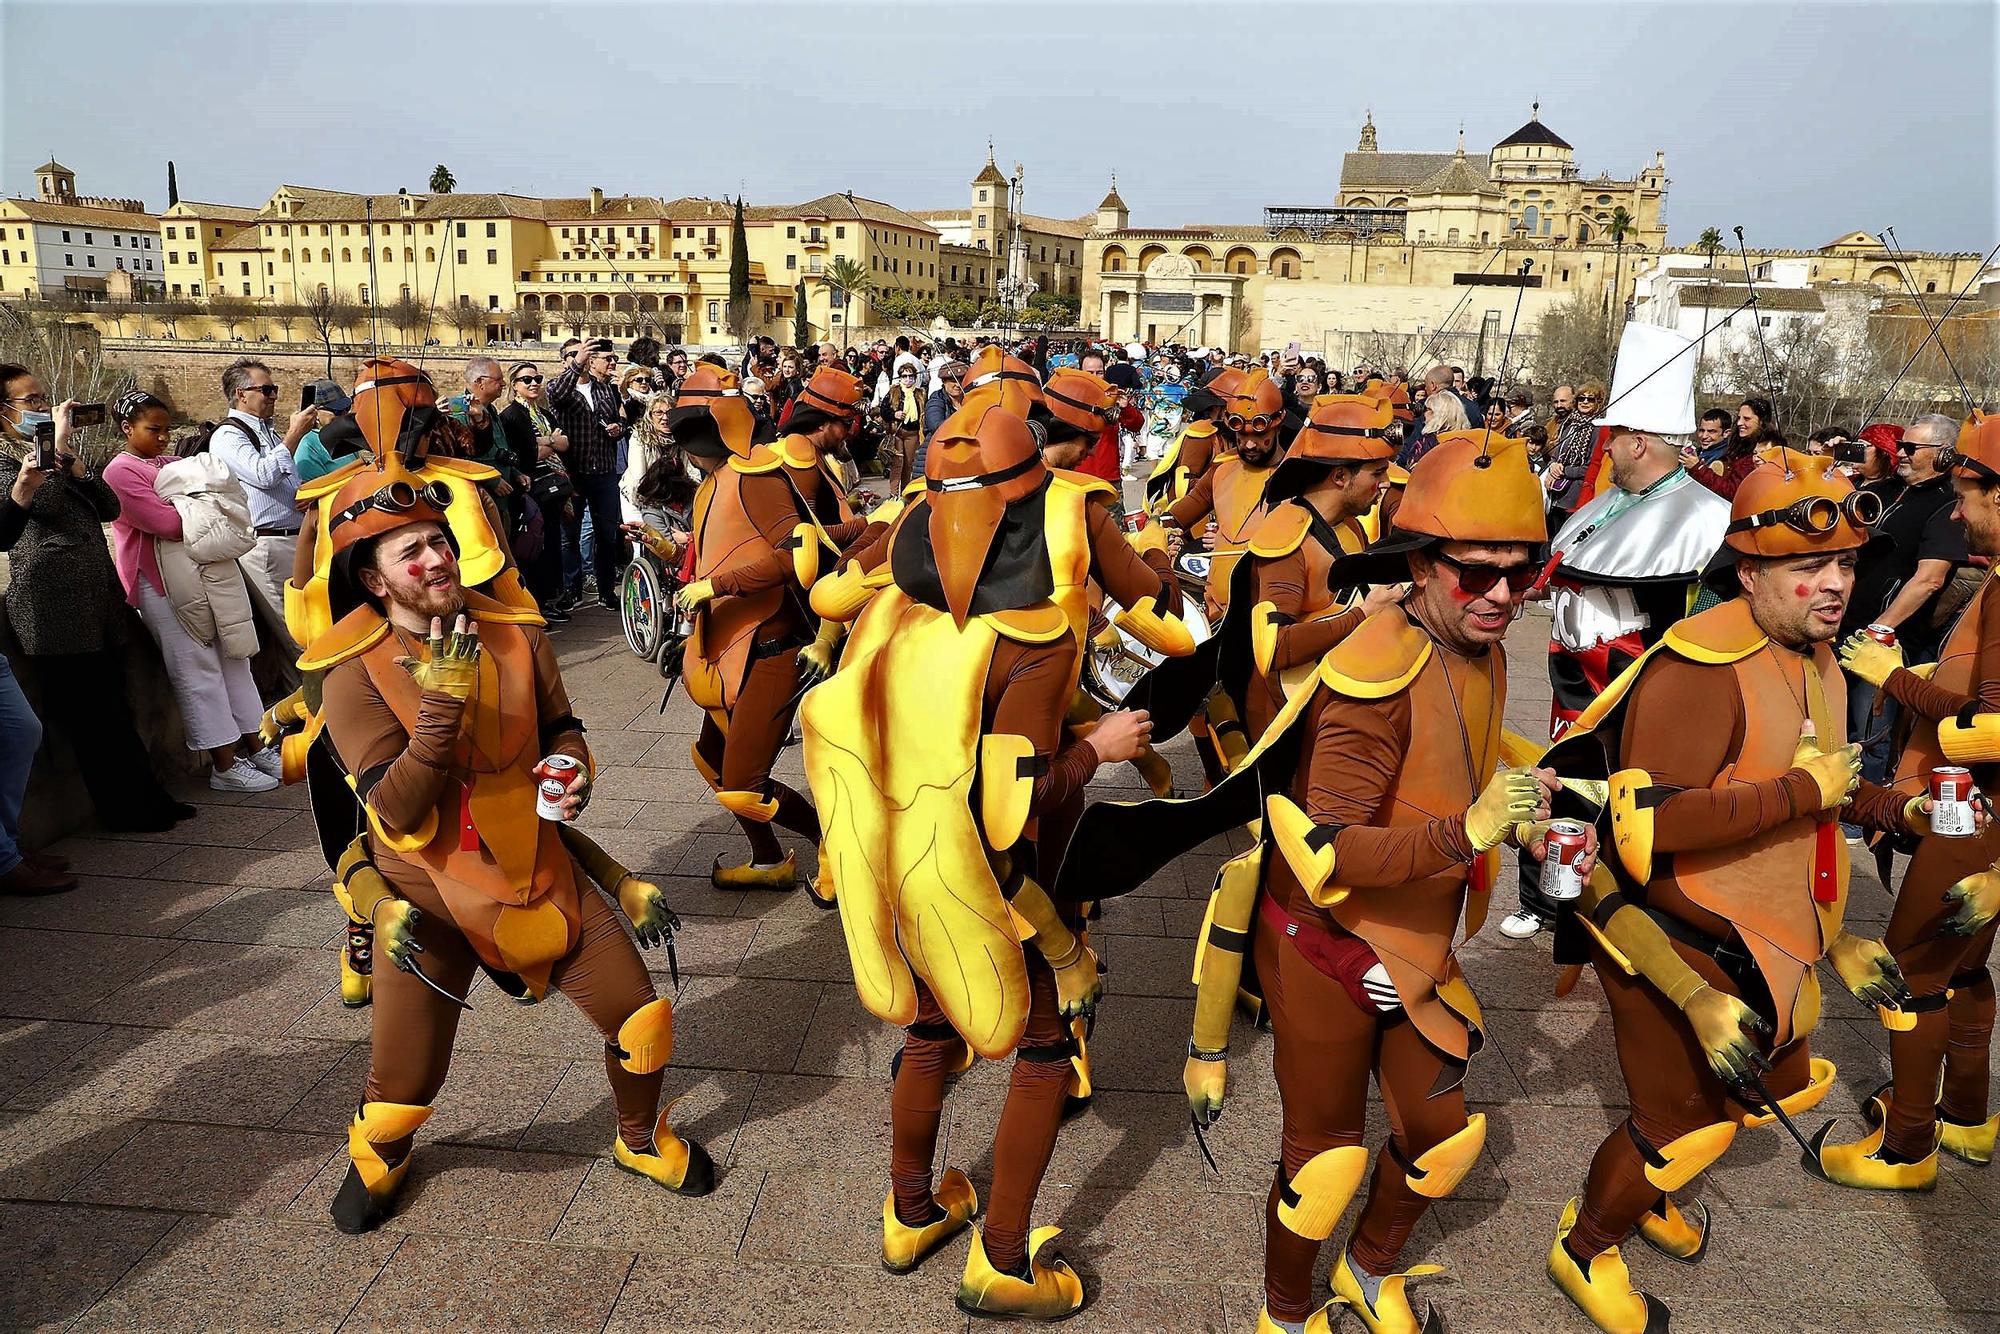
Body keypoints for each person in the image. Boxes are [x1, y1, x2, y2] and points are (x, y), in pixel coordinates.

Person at [1058, 429, 1557, 1334]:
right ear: (1419, 564)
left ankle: (1368, 1273)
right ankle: (1283, 1316)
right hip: (1327, 944)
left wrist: (1535, 795)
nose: (1502, 594)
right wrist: (1472, 829)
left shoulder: (1483, 646)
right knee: (1323, 1164)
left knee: (1444, 1141)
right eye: (1476, 572)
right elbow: (1324, 851)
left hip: (1418, 943)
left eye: (1522, 574)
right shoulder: (1377, 669)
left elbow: (1459, 760)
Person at [1538, 452, 1920, 1334]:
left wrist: (1899, 813)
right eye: (1809, 569)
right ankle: (1587, 1242)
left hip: (1774, 931)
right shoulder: (1701, 666)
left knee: (1770, 1087)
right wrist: (1803, 795)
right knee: (1675, 1125)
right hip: (1672, 936)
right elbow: (1651, 829)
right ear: (1747, 574)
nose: (1834, 585)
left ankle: (1649, 1200)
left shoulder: (1821, 651)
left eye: (1846, 564)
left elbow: (1826, 782)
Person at [800, 404, 1154, 1321]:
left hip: (890, 876)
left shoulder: (886, 615)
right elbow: (1012, 812)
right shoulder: (1031, 640)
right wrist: (1100, 748)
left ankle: (911, 1213)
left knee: (929, 1034)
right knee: (1044, 1045)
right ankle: (1003, 1259)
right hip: (990, 887)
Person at [309, 469, 713, 1233]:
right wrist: (443, 701)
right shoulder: (350, 672)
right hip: (428, 891)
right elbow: (394, 809)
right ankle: (379, 1155)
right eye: (409, 553)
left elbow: (562, 723)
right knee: (402, 1090)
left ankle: (638, 1138)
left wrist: (572, 767)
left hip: (537, 866)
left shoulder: (516, 626)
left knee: (642, 1023)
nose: (433, 560)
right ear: (373, 578)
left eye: (438, 541)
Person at [1504, 325, 1730, 941]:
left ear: (1637, 442)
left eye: (1615, 441)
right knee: (1559, 784)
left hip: (1633, 678)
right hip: (1570, 673)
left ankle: (1621, 902)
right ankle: (1545, 897)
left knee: (1622, 794)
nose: (1605, 452)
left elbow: (1704, 610)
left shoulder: (1704, 517)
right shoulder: (1611, 501)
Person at [1823, 410, 2000, 1187]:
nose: (1956, 512)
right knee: (1963, 969)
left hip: (1973, 816)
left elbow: (1990, 731)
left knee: (1914, 975)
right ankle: (1964, 1116)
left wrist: (1887, 678)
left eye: (1970, 495)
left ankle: (1908, 1145)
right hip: (1978, 813)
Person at [675, 365, 868, 896]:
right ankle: (767, 859)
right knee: (712, 758)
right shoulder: (721, 480)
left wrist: (718, 586)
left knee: (741, 785)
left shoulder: (757, 476)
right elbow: (721, 545)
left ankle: (835, 842)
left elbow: (799, 553)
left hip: (773, 642)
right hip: (726, 644)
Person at [0, 372, 190, 840]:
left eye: (45, 398)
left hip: (94, 601)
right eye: (33, 400)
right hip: (52, 606)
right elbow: (38, 505)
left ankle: (147, 796)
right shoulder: (6, 463)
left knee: (114, 707)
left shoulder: (55, 458)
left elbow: (107, 506)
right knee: (90, 717)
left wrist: (74, 463)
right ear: (3, 410)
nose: (44, 406)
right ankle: (125, 810)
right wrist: (55, 446)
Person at [103, 391, 280, 793]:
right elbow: (166, 523)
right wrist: (197, 504)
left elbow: (218, 500)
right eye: (154, 429)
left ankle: (256, 745)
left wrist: (195, 505)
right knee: (196, 668)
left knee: (234, 659)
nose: (164, 438)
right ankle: (223, 762)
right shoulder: (120, 472)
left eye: (167, 429)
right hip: (159, 582)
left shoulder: (166, 463)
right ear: (127, 429)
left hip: (203, 575)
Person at [1838, 413, 1970, 834]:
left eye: (1913, 448)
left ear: (1944, 455)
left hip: (1887, 640)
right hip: (1845, 626)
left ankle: (1863, 820)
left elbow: (1929, 578)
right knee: (1835, 719)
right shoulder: (1888, 490)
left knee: (1869, 729)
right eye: (1902, 446)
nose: (1902, 453)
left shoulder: (1948, 506)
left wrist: (1882, 628)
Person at [209, 358, 316, 646]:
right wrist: (295, 434)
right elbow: (263, 474)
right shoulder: (228, 434)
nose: (274, 397)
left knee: (312, 621)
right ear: (242, 394)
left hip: (296, 538)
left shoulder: (267, 431)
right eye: (266, 390)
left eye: (274, 389)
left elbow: (286, 479)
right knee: (295, 632)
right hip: (269, 544)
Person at [546, 339, 628, 611]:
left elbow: (622, 419)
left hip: (604, 472)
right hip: (574, 473)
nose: (610, 362)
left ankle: (606, 591)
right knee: (570, 535)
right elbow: (555, 395)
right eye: (605, 358)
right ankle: (572, 589)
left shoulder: (606, 389)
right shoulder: (562, 388)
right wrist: (577, 363)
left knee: (607, 533)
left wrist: (619, 428)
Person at [498, 362, 571, 621]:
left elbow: (564, 444)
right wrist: (549, 441)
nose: (533, 383)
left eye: (537, 378)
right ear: (514, 385)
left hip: (553, 487)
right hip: (530, 489)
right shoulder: (512, 415)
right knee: (533, 548)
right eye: (526, 379)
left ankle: (551, 598)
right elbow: (523, 455)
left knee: (552, 544)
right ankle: (536, 602)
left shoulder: (543, 413)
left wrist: (546, 442)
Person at [1689, 396, 1775, 499]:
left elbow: (1733, 492)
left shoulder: (1766, 451)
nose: (1739, 423)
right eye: (1739, 418)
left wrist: (1698, 467)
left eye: (1746, 419)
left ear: (1761, 421)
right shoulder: (1737, 447)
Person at [1542, 379, 1605, 520]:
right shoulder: (1569, 424)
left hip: (1576, 494)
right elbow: (1556, 454)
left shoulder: (1597, 428)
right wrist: (1553, 466)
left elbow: (1591, 466)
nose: (1585, 402)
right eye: (1581, 398)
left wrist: (1563, 471)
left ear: (1598, 403)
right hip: (1556, 492)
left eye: (1590, 399)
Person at [293, 380, 357, 484]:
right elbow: (314, 489)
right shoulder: (307, 444)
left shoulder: (343, 435)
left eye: (347, 408)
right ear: (314, 412)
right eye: (337, 411)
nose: (344, 415)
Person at [877, 363, 925, 490]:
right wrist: (894, 414)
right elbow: (883, 410)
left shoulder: (920, 393)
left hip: (913, 432)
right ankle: (893, 493)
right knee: (897, 463)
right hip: (897, 431)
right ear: (900, 377)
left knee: (908, 464)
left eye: (911, 376)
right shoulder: (894, 391)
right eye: (904, 376)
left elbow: (923, 413)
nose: (908, 379)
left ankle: (905, 492)